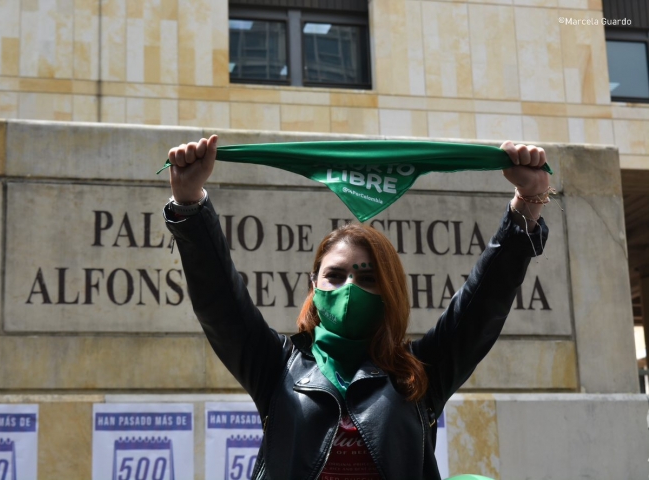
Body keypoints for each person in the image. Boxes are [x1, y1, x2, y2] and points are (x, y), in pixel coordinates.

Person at [163, 135, 550, 480]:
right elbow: (220, 300)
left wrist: (528, 201)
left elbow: (484, 301)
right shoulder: (275, 366)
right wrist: (189, 203)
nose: (350, 288)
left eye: (367, 279)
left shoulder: (421, 373)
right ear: (313, 287)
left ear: (390, 290)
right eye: (335, 275)